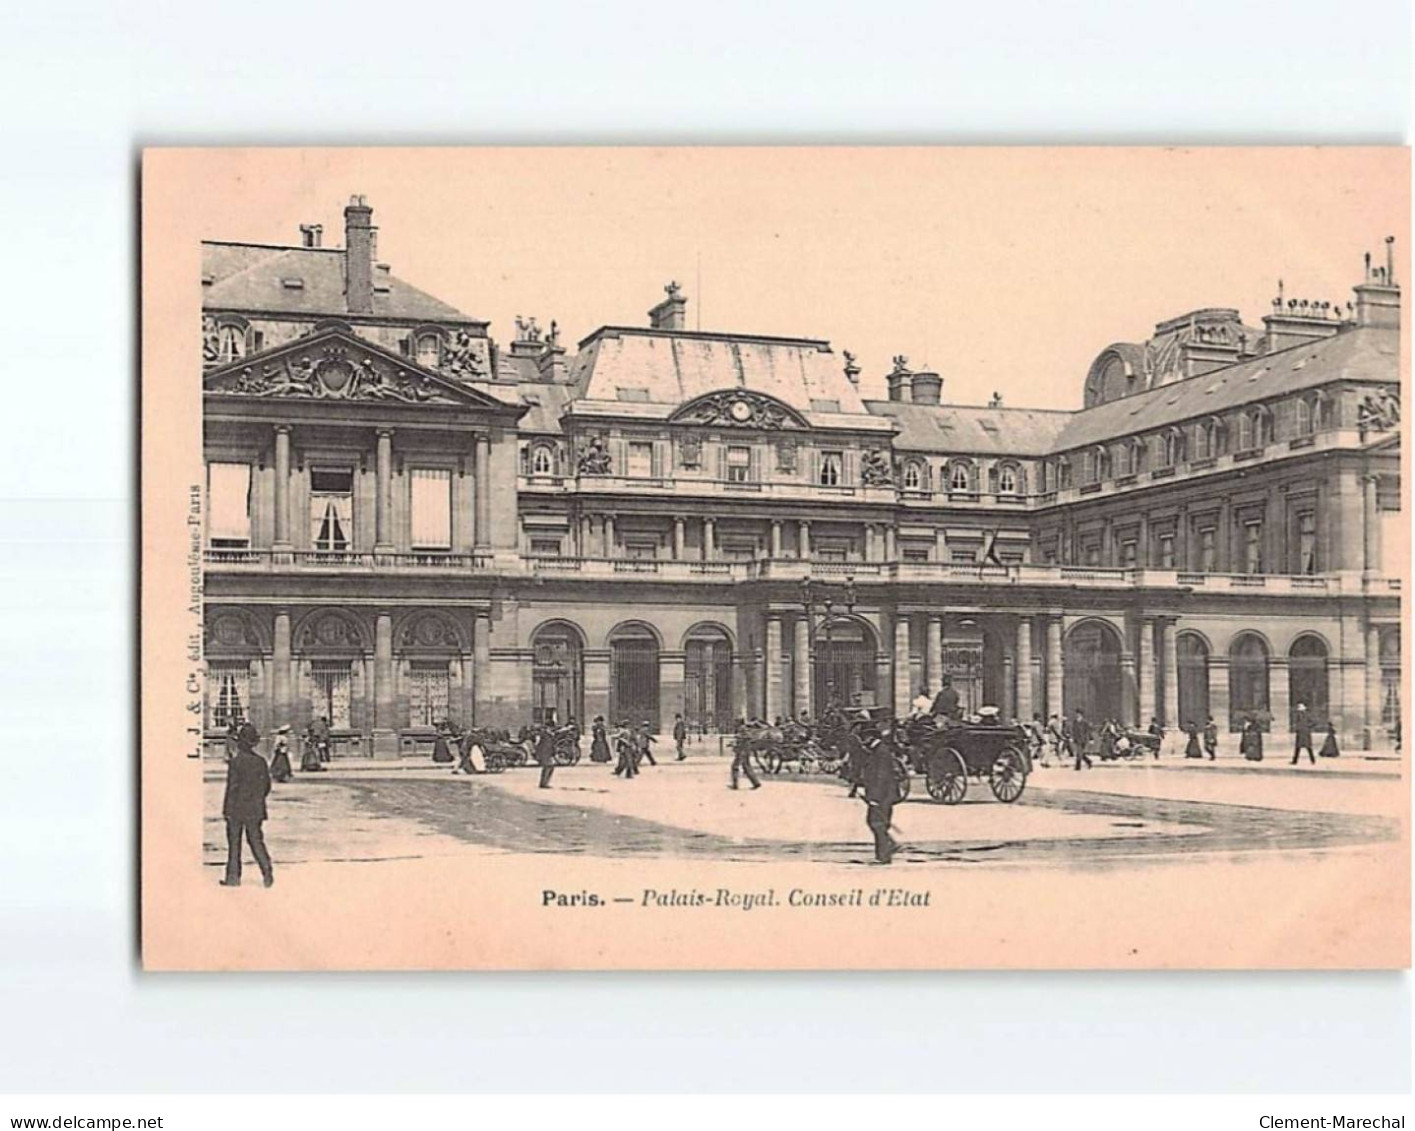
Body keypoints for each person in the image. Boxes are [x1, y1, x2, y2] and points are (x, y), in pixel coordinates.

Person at [221, 725, 274, 888]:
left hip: (236, 808)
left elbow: (232, 787)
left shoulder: (236, 762)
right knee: (256, 840)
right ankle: (267, 872)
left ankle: (233, 878)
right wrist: (257, 800)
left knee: (234, 843)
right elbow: (266, 786)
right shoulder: (261, 762)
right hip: (255, 809)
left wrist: (227, 809)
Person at [861, 737, 900, 865]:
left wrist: (874, 797)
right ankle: (886, 851)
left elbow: (881, 776)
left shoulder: (881, 752)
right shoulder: (878, 750)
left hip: (883, 795)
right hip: (883, 794)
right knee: (878, 822)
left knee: (876, 822)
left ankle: (886, 851)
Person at [535, 725, 556, 789]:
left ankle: (544, 782)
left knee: (549, 767)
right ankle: (544, 783)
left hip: (548, 753)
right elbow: (538, 744)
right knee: (548, 767)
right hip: (544, 753)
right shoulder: (543, 735)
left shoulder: (549, 735)